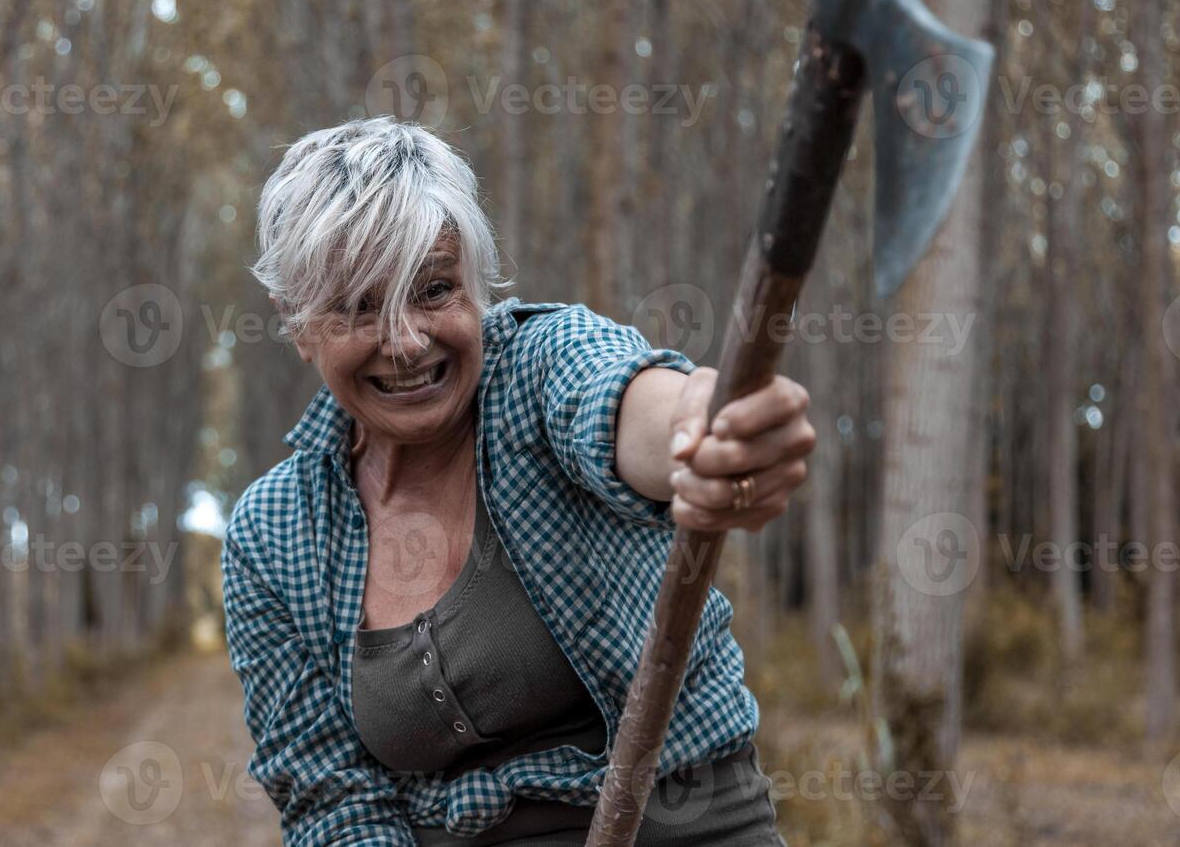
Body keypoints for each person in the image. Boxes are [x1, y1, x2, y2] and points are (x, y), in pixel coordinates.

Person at [222, 116, 814, 846]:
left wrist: (705, 426)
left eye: (433, 290)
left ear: (475, 283)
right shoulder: (273, 533)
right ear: (298, 323)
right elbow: (330, 797)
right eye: (358, 307)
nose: (407, 340)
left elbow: (626, 403)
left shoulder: (536, 368)